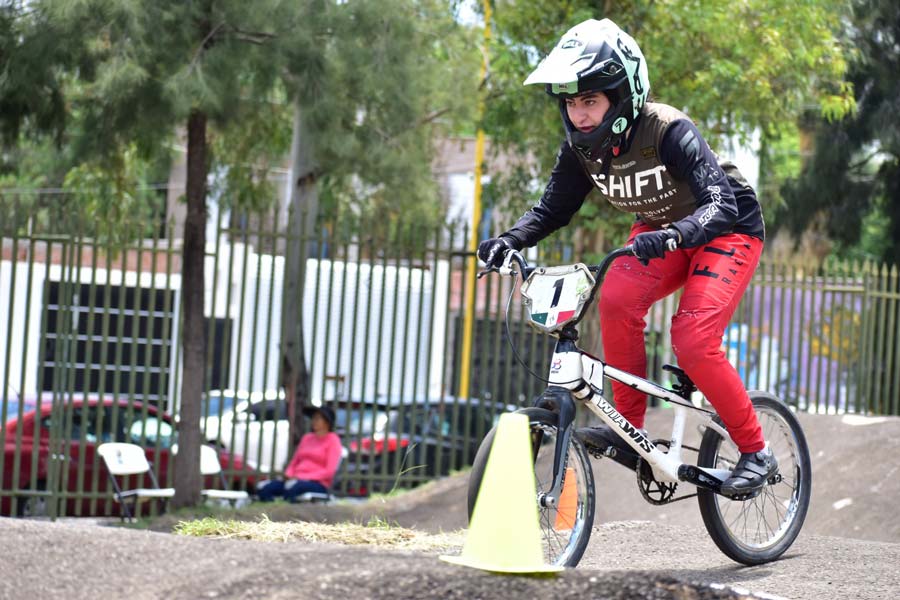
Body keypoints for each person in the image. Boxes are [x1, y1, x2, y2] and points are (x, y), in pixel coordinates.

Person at [477, 18, 777, 497]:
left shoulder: (668, 129)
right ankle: (631, 434)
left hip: (727, 227)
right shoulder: (580, 148)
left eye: (590, 100)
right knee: (615, 298)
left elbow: (720, 204)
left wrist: (678, 233)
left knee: (692, 339)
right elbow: (554, 209)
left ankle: (756, 451)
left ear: (622, 96)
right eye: (571, 103)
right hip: (662, 231)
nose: (579, 114)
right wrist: (510, 240)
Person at [256, 405, 343, 502]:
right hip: (295, 479)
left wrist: (303, 477)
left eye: (317, 418)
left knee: (294, 489)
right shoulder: (307, 438)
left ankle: (288, 515)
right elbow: (295, 460)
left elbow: (329, 471)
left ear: (327, 422)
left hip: (317, 483)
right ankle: (269, 513)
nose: (313, 421)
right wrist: (288, 474)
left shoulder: (333, 440)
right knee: (266, 488)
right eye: (313, 418)